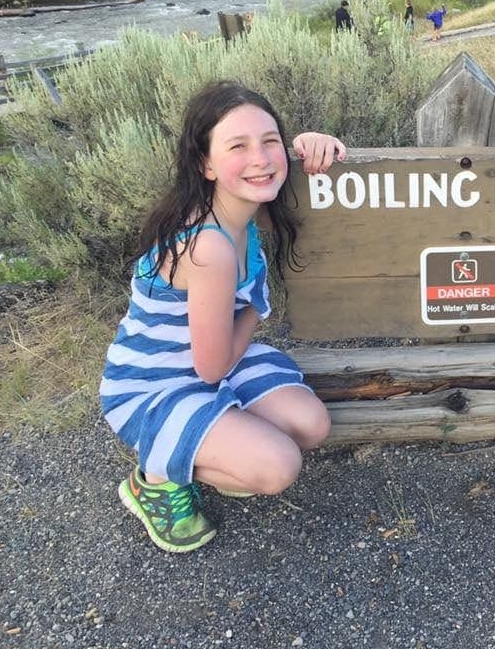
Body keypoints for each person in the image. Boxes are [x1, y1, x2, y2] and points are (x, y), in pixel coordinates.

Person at [100, 81, 347, 552]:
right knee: (279, 467)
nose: (259, 157)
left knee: (311, 425)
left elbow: (274, 163)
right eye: (238, 146)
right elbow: (209, 368)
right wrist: (257, 307)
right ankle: (154, 480)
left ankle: (219, 444)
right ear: (205, 163)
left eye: (269, 141)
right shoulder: (208, 245)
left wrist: (307, 144)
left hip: (212, 358)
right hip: (155, 383)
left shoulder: (243, 208)